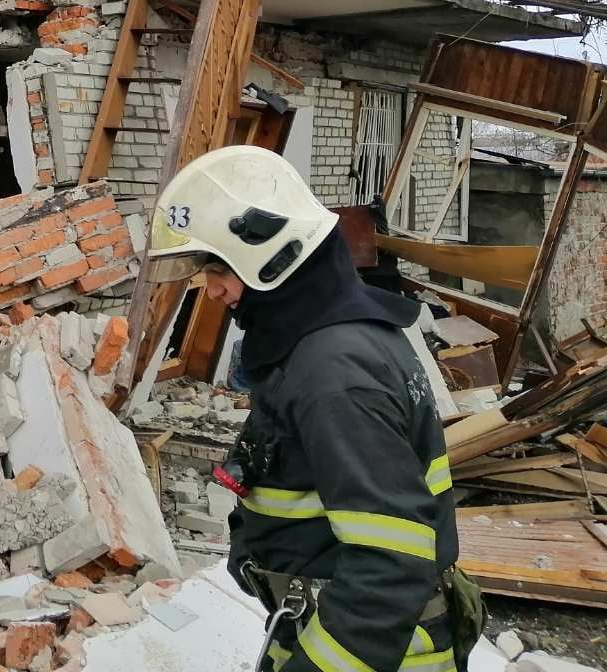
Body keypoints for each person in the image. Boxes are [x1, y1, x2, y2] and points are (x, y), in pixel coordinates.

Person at [149, 145, 484, 672]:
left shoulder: (336, 376)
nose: (211, 292)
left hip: (370, 652)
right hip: (335, 625)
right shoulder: (334, 342)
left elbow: (391, 565)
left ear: (270, 255)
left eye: (218, 269)